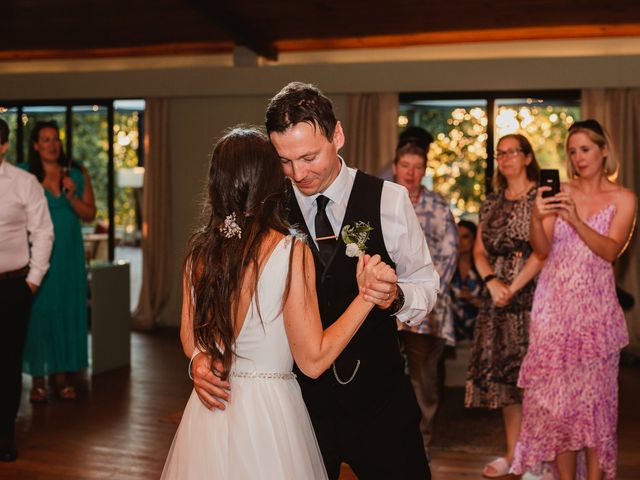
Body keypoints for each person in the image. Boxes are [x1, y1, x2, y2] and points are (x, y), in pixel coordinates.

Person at [192, 82, 439, 479]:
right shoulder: (265, 208)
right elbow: (225, 295)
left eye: (309, 157)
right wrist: (199, 357)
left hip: (380, 402)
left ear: (337, 135)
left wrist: (393, 296)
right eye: (285, 161)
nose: (298, 173)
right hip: (298, 412)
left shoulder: (388, 199)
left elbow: (426, 286)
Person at [161, 127, 396, 479]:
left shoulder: (200, 251)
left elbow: (188, 335)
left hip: (210, 410)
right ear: (271, 181)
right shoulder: (289, 251)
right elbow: (313, 360)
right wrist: (366, 297)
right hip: (267, 415)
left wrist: (198, 360)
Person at [511, 119, 637, 480]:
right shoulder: (559, 191)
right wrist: (537, 216)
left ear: (604, 150)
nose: (578, 157)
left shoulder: (624, 198)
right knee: (558, 409)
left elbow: (611, 250)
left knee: (595, 407)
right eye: (572, 151)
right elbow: (542, 249)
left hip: (596, 316)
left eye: (585, 149)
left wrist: (578, 221)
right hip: (553, 311)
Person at [465, 134, 544, 478]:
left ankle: (538, 457)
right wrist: (492, 283)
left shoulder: (542, 196)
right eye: (501, 153)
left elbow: (546, 251)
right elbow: (479, 252)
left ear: (527, 157)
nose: (506, 158)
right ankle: (514, 454)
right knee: (507, 383)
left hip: (534, 294)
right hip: (496, 296)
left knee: (535, 381)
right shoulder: (492, 201)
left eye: (513, 152)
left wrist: (513, 286)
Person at [20, 120, 96, 401]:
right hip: (38, 252)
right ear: (36, 145)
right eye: (46, 140)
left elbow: (89, 213)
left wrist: (72, 196)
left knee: (67, 308)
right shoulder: (25, 175)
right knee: (40, 312)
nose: (52, 145)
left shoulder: (75, 173)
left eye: (56, 139)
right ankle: (39, 377)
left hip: (69, 252)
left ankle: (62, 375)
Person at [393, 134, 458, 456]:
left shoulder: (438, 205)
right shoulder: (382, 202)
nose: (411, 172)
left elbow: (448, 256)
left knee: (424, 381)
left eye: (417, 167)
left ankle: (423, 442)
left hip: (426, 309)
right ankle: (388, 441)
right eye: (405, 165)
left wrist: (425, 295)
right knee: (385, 375)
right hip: (383, 305)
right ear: (395, 167)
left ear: (424, 171)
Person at [0, 119, 54, 461]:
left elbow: (43, 232)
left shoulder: (23, 183)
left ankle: (4, 435)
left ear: (3, 146)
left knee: (6, 363)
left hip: (12, 287)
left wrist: (32, 280)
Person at [451, 220, 482, 342]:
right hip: (450, 337)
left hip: (477, 335)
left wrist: (473, 299)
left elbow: (493, 303)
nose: (460, 241)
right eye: (456, 236)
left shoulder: (483, 269)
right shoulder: (447, 269)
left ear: (474, 239)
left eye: (465, 237)